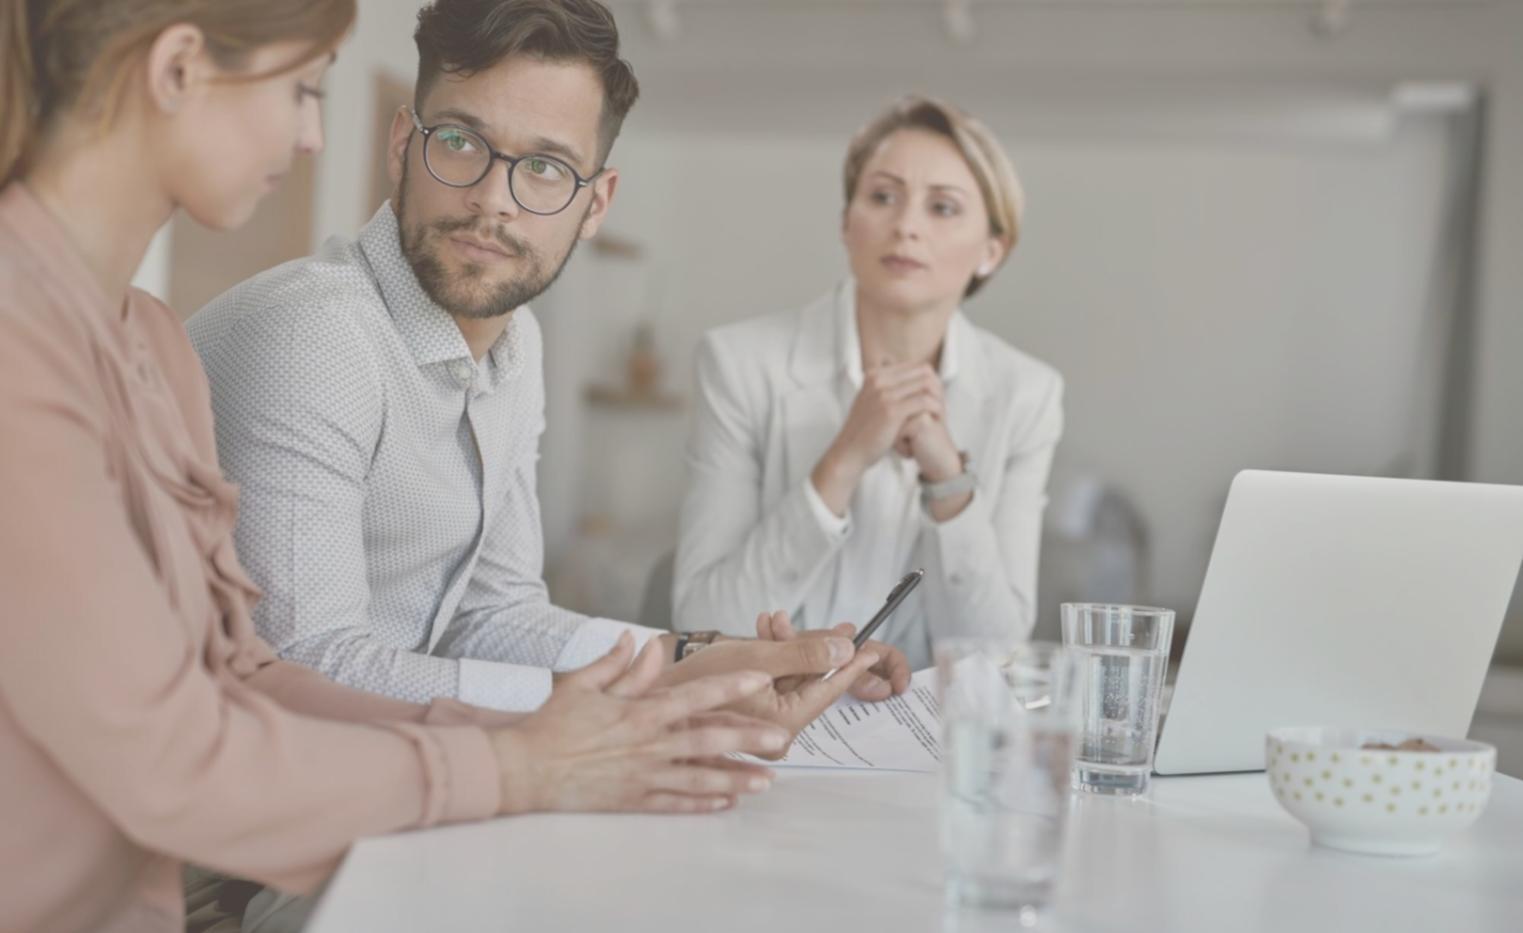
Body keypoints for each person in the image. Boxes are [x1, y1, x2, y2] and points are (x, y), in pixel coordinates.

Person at [0, 2, 884, 929]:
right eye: (304, 89)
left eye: (543, 167)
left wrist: (687, 672)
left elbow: (274, 664)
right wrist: (546, 750)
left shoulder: (152, 345)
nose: (311, 137)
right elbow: (245, 702)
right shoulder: (287, 335)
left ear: (596, 200)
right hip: (225, 868)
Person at [187, 0, 910, 713]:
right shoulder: (311, 338)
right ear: (404, 146)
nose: (492, 200)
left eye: (543, 167)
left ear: (595, 205)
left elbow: (493, 614)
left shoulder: (516, 341)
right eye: (462, 143)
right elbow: (303, 667)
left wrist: (718, 660)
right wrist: (634, 699)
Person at [673, 95, 1064, 670]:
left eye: (943, 207)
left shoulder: (1027, 394)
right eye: (883, 197)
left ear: (991, 251)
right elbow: (702, 623)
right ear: (845, 223)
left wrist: (948, 480)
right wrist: (845, 458)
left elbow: (994, 654)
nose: (906, 226)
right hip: (763, 729)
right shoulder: (736, 364)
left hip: (928, 741)